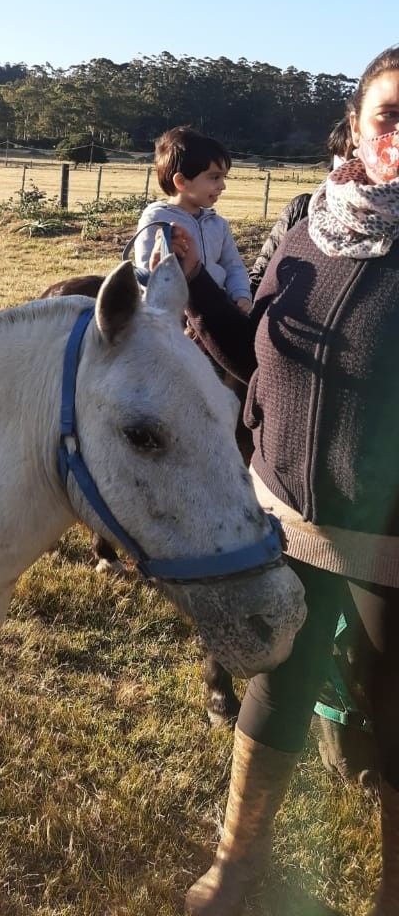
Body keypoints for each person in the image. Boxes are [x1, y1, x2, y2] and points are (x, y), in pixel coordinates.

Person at [164, 46, 399, 915]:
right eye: (391, 115)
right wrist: (195, 284)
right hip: (288, 528)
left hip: (390, 550)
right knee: (277, 688)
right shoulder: (308, 223)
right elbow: (256, 357)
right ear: (356, 125)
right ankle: (238, 866)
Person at [133, 126, 252, 312]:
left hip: (218, 310)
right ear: (181, 182)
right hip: (175, 317)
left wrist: (241, 295)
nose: (223, 186)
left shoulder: (218, 224)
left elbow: (233, 266)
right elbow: (146, 276)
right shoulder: (157, 219)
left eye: (223, 177)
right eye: (214, 177)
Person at [248, 111, 354, 296]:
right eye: (346, 156)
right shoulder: (302, 210)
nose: (352, 167)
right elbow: (263, 270)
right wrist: (245, 304)